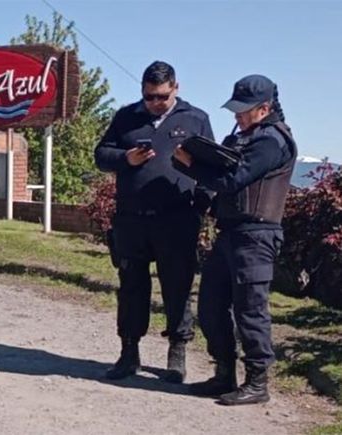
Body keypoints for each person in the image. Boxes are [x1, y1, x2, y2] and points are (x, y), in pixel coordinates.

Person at [173, 75, 296, 405]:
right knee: (211, 307)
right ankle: (223, 373)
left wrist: (193, 166)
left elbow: (235, 179)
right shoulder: (245, 136)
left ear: (265, 108)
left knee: (250, 311)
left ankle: (257, 382)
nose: (237, 117)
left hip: (257, 236)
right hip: (231, 234)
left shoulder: (271, 141)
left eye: (244, 111)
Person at [94, 61, 214, 383]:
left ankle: (177, 352)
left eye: (161, 96)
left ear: (176, 88)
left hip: (176, 220)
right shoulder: (126, 117)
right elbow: (101, 155)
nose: (154, 103)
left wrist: (201, 204)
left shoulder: (195, 119)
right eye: (149, 96)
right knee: (132, 288)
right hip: (132, 220)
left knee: (177, 287)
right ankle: (129, 352)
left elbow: (211, 170)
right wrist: (125, 158)